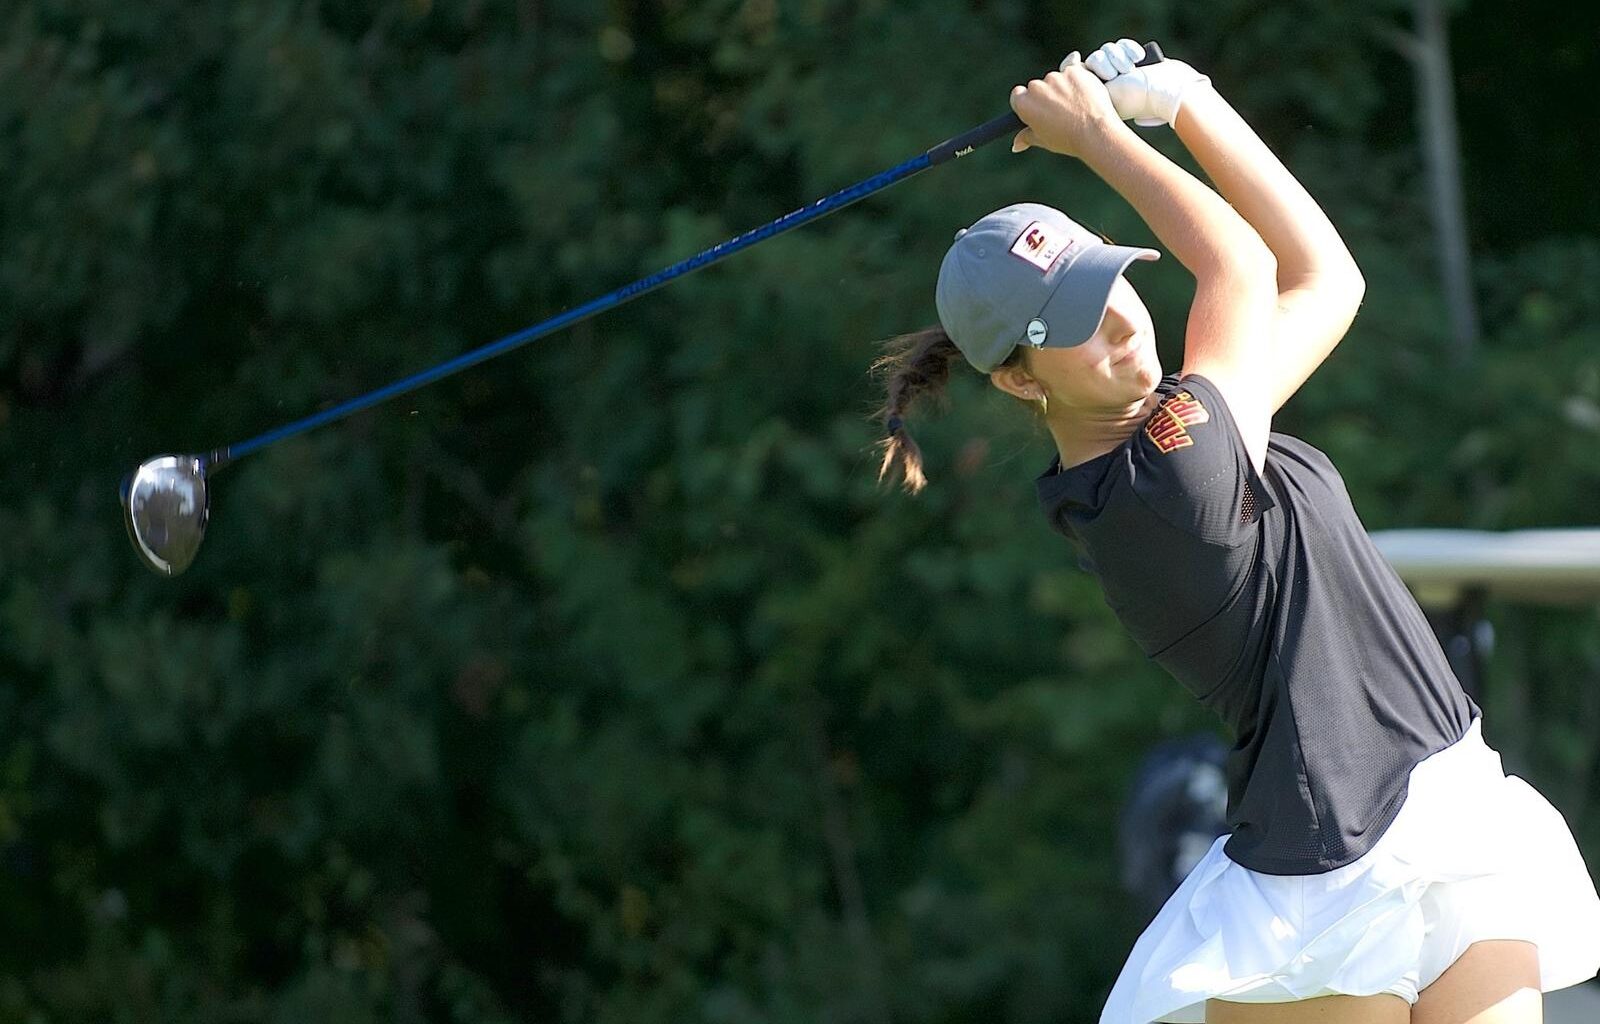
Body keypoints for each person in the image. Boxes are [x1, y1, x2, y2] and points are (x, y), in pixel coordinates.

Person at [872, 38, 1600, 1024]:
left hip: (1448, 800)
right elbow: (1241, 267)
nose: (1124, 322)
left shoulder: (1195, 425)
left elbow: (1326, 281)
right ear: (1016, 379)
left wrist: (1188, 98)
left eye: (1111, 283)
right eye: (1077, 322)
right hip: (1327, 875)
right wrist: (1103, 136)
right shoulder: (1166, 474)